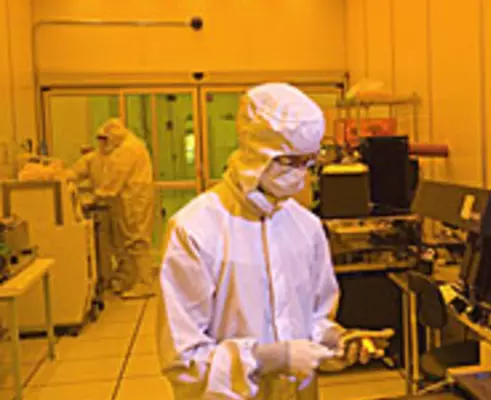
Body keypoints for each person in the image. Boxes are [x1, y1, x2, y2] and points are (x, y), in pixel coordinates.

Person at [157, 83, 394, 400]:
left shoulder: (306, 226)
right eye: (289, 162)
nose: (301, 175)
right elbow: (183, 361)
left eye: (308, 162)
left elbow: (314, 318)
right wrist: (268, 359)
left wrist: (336, 342)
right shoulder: (195, 230)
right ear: (256, 153)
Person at [67, 118, 156, 299]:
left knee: (136, 241)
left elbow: (115, 178)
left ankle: (144, 283)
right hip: (128, 201)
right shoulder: (123, 148)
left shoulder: (127, 149)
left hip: (134, 201)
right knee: (125, 243)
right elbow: (79, 171)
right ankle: (129, 279)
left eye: (105, 140)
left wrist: (98, 195)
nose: (102, 144)